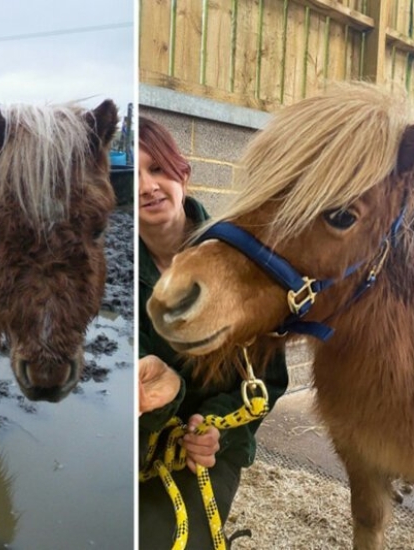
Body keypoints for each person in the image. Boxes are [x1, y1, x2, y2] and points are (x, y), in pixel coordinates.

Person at [138, 116, 290, 549]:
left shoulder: (240, 260)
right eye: (135, 176)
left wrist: (217, 426)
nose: (147, 187)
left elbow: (268, 379)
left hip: (209, 448)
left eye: (159, 169)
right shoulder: (115, 274)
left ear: (182, 174)